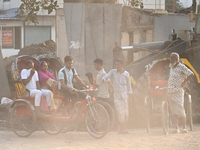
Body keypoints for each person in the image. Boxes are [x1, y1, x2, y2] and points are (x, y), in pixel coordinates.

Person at [103, 59, 132, 134]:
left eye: (118, 65)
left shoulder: (127, 74)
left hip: (125, 96)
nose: (117, 66)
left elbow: (129, 87)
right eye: (116, 65)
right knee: (120, 111)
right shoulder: (113, 72)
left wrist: (130, 98)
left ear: (122, 65)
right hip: (117, 96)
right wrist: (99, 85)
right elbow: (105, 78)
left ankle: (122, 127)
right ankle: (123, 127)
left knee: (126, 113)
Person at [168, 52, 194, 133]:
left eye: (172, 58)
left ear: (176, 59)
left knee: (180, 109)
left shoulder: (181, 67)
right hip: (170, 91)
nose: (170, 60)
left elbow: (191, 74)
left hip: (178, 91)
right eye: (170, 58)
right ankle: (176, 128)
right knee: (173, 110)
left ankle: (184, 127)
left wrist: (184, 82)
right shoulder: (171, 67)